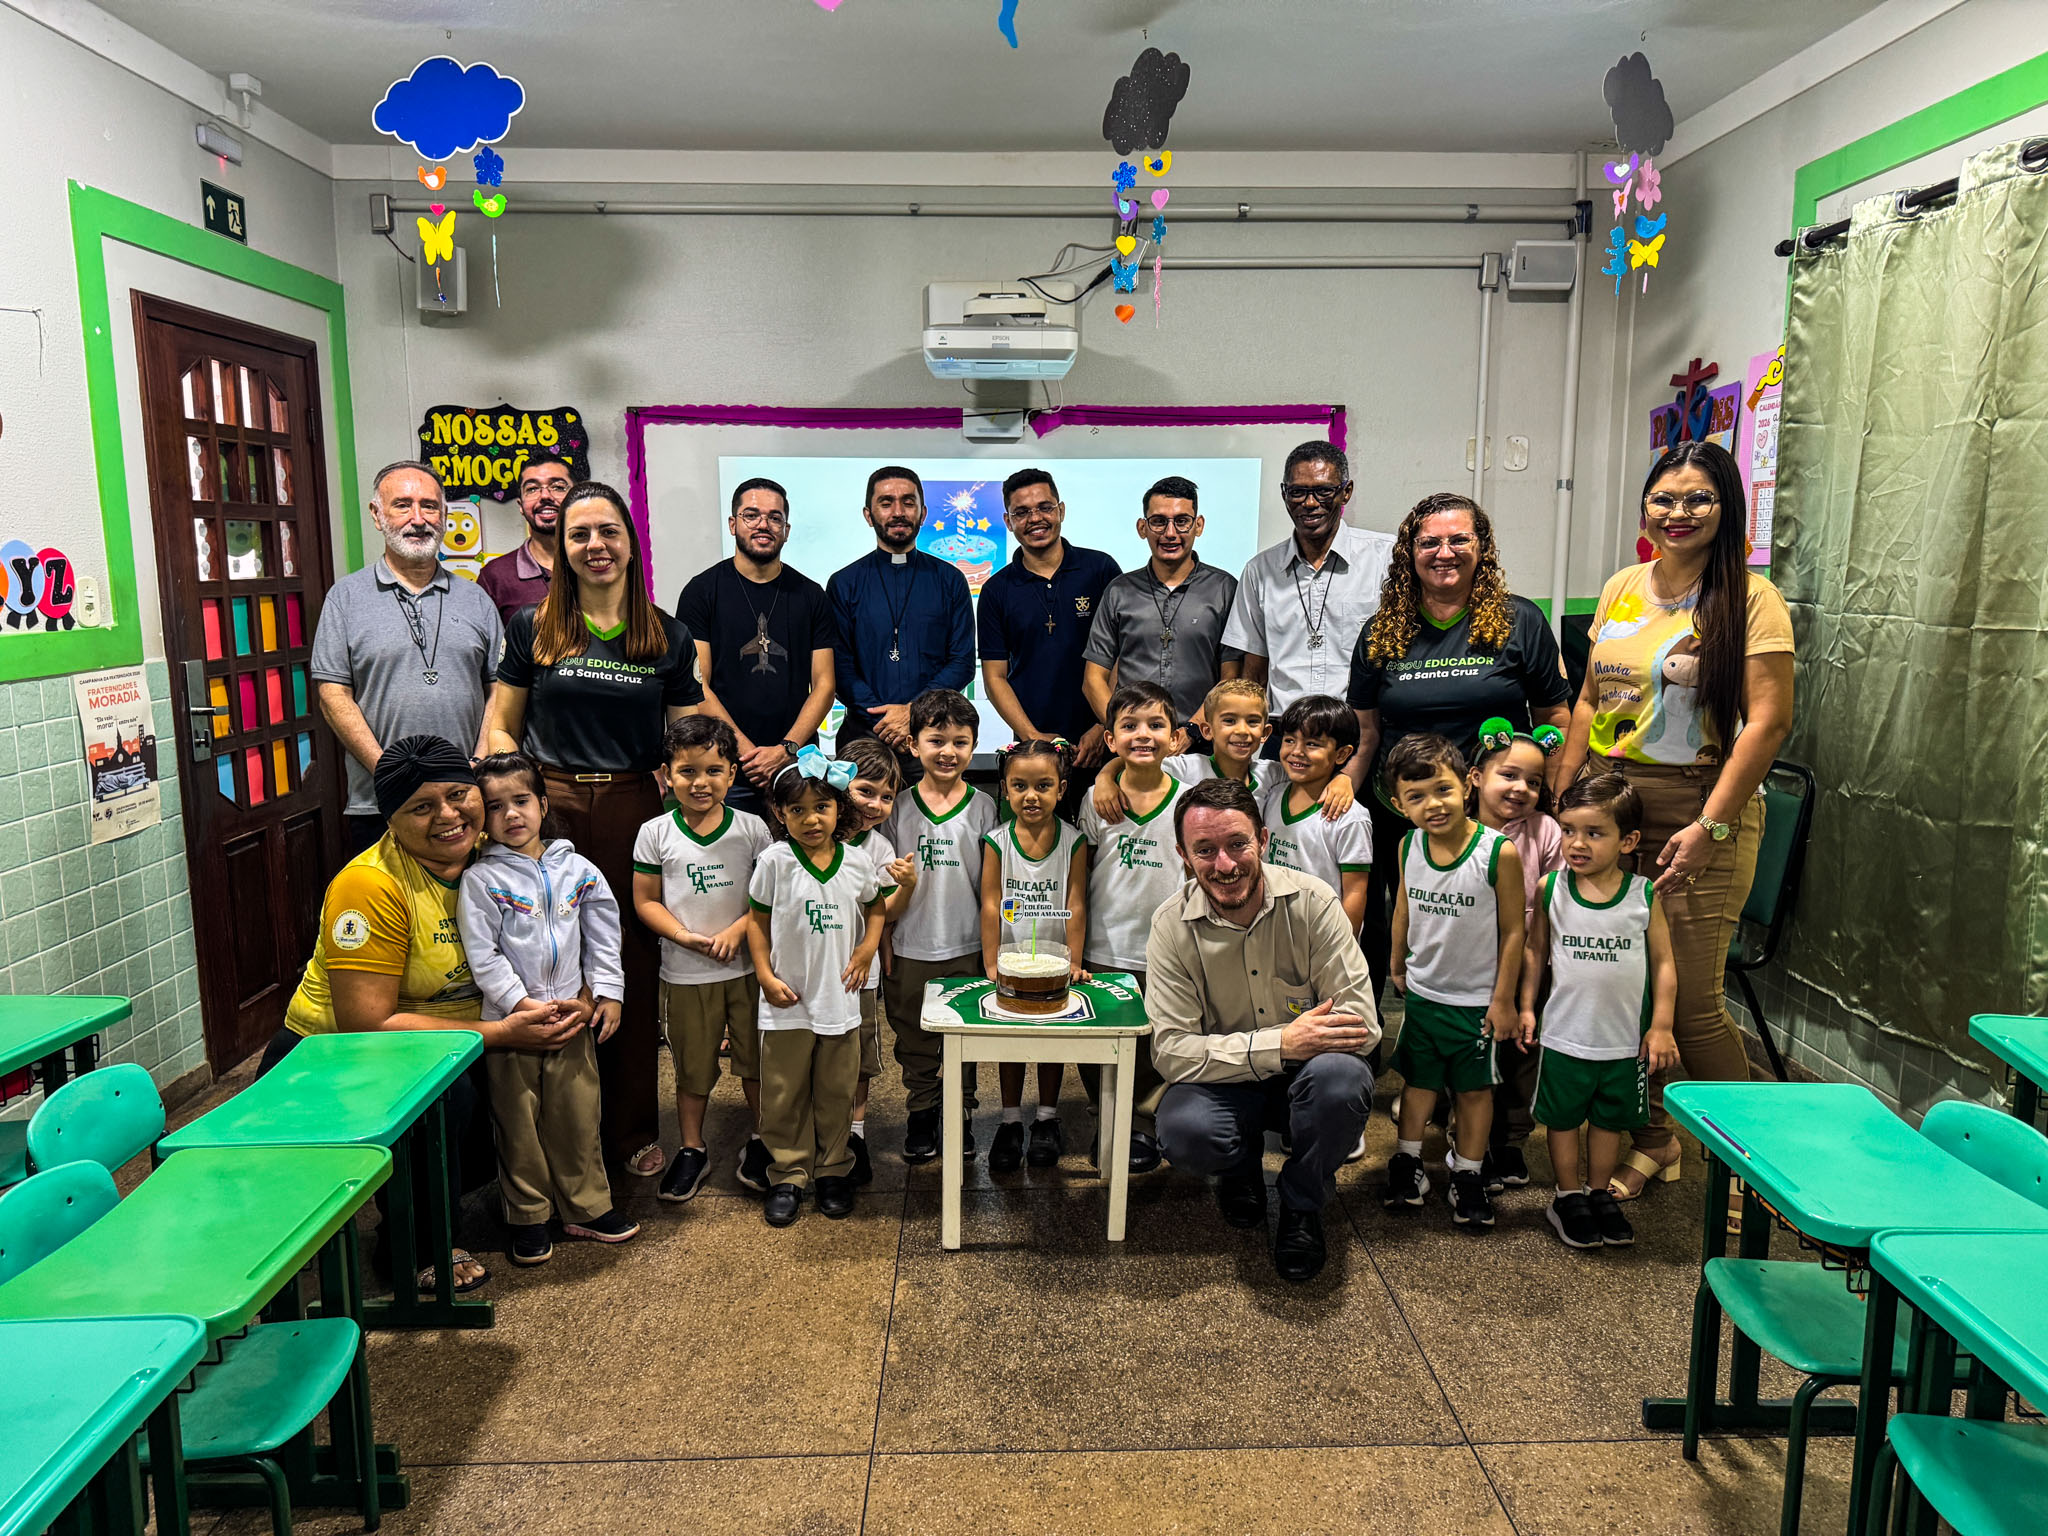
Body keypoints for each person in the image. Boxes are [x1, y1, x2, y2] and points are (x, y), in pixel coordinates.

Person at [1550, 440, 1794, 1201]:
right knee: (1622, 988)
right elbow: (1589, 700)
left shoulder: (1751, 598)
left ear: (1727, 509)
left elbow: (1768, 722)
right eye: (1664, 498)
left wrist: (1712, 826)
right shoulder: (1624, 585)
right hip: (1610, 802)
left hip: (1698, 806)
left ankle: (1762, 1175)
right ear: (1645, 506)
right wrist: (1565, 798)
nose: (1678, 512)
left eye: (1698, 499)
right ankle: (1658, 1142)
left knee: (1690, 1006)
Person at [273, 735, 589, 1294]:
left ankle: (548, 1201)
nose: (447, 815)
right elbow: (367, 1023)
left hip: (464, 1032)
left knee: (552, 1068)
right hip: (334, 1052)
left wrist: (583, 997)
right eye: (421, 807)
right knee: (449, 1096)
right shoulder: (370, 886)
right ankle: (416, 1244)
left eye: (458, 795)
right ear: (390, 820)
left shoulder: (495, 852)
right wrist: (500, 1032)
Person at [484, 482, 704, 1179]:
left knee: (627, 961)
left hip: (633, 808)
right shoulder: (533, 626)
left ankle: (629, 1129)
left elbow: (688, 740)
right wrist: (509, 804)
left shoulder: (667, 635)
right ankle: (549, 1133)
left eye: (608, 531)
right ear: (562, 545)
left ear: (630, 543)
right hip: (549, 808)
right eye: (579, 534)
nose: (595, 546)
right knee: (543, 959)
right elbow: (501, 726)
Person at [1147, 778, 1379, 1283]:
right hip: (1227, 1084)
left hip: (1305, 1077)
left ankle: (1302, 1201)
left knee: (1342, 1080)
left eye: (1238, 844)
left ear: (1264, 841)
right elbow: (1171, 1052)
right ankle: (1240, 1169)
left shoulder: (1315, 903)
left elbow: (1360, 1024)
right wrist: (1283, 1042)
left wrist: (1288, 1050)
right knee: (1186, 1131)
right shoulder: (1170, 925)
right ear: (1184, 857)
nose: (1224, 865)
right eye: (1204, 850)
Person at [1347, 491, 1573, 994]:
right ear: (1409, 552)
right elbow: (1366, 733)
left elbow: (1557, 718)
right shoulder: (1381, 632)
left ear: (1482, 547)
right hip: (1406, 814)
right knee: (1412, 928)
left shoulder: (1521, 620)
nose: (1443, 553)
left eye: (1458, 540)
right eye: (1429, 542)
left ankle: (1505, 1022)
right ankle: (1407, 1020)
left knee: (1500, 930)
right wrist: (1342, 789)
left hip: (1499, 815)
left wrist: (1550, 800)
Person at [457, 752, 640, 1264]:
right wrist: (521, 1007)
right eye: (495, 807)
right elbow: (483, 955)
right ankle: (529, 1216)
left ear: (542, 804)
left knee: (578, 1117)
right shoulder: (481, 880)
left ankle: (586, 1207)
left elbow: (604, 936)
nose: (511, 815)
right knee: (518, 1125)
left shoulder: (579, 870)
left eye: (521, 801)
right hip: (512, 1025)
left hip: (572, 1018)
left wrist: (606, 994)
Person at [312, 460, 502, 856]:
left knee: (471, 896)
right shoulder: (345, 598)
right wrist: (391, 772)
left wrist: (478, 763)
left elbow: (499, 690)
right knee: (388, 897)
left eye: (429, 506)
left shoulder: (477, 599)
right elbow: (333, 696)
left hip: (467, 801)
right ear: (376, 515)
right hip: (381, 802)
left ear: (444, 515)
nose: (418, 519)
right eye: (402, 505)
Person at [1522, 775, 1678, 1250]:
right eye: (1568, 830)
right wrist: (1526, 1006)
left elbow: (1664, 963)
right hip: (1565, 1036)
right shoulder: (1551, 888)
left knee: (1609, 1121)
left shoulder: (1642, 895)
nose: (1577, 843)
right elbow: (1535, 951)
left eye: (1594, 833)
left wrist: (1662, 1025)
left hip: (1623, 1041)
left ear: (1627, 841)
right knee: (1564, 1119)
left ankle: (1597, 1193)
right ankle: (1567, 1195)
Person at [1381, 733, 1525, 1233]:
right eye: (1416, 796)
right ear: (1398, 804)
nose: (1433, 805)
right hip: (1424, 995)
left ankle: (1467, 1172)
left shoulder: (1498, 852)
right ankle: (1407, 1161)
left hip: (1476, 1002)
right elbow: (1403, 907)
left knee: (1474, 1091)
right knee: (1418, 1082)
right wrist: (1397, 963)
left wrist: (1503, 999)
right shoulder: (1408, 845)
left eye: (1442, 789)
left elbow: (1514, 931)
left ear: (1467, 785)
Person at [630, 716, 773, 1202]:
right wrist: (683, 936)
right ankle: (692, 1147)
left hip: (748, 968)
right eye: (687, 771)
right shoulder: (654, 832)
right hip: (685, 972)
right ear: (666, 775)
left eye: (713, 770)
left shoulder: (752, 829)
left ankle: (762, 1138)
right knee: (692, 1067)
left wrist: (737, 930)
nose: (700, 782)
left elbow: (769, 897)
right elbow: (646, 900)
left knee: (755, 1061)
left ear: (732, 773)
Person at [747, 754, 893, 1227]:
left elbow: (876, 908)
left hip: (840, 1000)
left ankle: (833, 1169)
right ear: (780, 813)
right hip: (787, 1002)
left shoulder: (857, 862)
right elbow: (756, 922)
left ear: (839, 809)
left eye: (822, 807)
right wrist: (765, 976)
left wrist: (867, 950)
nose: (811, 819)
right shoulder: (774, 862)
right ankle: (787, 1173)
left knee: (836, 1092)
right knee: (784, 1093)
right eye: (798, 810)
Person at [880, 689, 998, 1164]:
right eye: (936, 740)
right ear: (913, 745)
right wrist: (883, 939)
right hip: (910, 944)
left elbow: (990, 888)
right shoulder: (897, 808)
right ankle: (921, 1111)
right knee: (913, 1037)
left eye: (960, 742)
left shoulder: (984, 807)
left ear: (973, 746)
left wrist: (991, 951)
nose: (948, 751)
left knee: (964, 1035)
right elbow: (882, 885)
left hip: (966, 945)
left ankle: (961, 1112)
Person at [675, 477, 836, 817]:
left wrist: (786, 749)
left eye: (775, 517)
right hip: (725, 765)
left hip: (796, 764)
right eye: (751, 515)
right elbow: (697, 685)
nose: (763, 524)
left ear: (786, 530)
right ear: (733, 524)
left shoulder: (811, 595)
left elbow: (824, 685)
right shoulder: (701, 592)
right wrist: (747, 754)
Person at [1074, 682, 1182, 1173]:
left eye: (1156, 725)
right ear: (1110, 739)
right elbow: (1081, 877)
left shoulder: (1187, 800)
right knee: (1098, 1038)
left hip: (1166, 951)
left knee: (1156, 1043)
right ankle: (1107, 1118)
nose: (1143, 735)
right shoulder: (1097, 802)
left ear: (1175, 738)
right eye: (1130, 726)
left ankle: (1144, 1125)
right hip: (1105, 946)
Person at [1225, 441, 1396, 730]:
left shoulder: (1385, 558)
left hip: (1359, 731)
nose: (1310, 503)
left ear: (1346, 492)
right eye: (1298, 492)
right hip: (1284, 733)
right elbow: (1254, 674)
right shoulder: (1259, 571)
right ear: (1284, 494)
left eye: (1323, 491)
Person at [1464, 717, 1566, 1190]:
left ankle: (1510, 1140)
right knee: (1472, 1046)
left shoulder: (1545, 830)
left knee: (1522, 1049)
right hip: (1469, 960)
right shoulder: (1457, 828)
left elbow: (1556, 896)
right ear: (1476, 776)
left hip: (1528, 958)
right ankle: (1468, 1137)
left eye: (1534, 781)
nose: (1522, 788)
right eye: (1509, 774)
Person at [978, 739, 1090, 1172]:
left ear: (1061, 789)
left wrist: (1073, 960)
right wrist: (992, 961)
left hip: (1054, 968)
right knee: (1010, 1039)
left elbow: (1076, 903)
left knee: (1051, 1039)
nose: (1031, 796)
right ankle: (1009, 1120)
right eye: (1019, 786)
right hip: (1010, 965)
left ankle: (1046, 1117)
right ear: (1005, 789)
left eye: (1043, 785)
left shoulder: (1074, 842)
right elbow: (991, 903)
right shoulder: (996, 842)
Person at [976, 469, 1121, 793]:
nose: (1035, 519)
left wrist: (1104, 726)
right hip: (1032, 754)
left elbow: (1123, 656)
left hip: (1105, 745)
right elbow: (995, 677)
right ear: (1008, 521)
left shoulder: (1100, 570)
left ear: (1061, 510)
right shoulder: (996, 590)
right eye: (1021, 512)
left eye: (1044, 507)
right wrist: (1032, 737)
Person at [1082, 475, 1242, 749]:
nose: (1170, 533)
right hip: (1132, 747)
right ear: (1142, 527)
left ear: (1198, 525)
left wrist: (1192, 730)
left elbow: (1231, 678)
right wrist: (1125, 731)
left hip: (1202, 743)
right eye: (1158, 521)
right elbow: (1093, 679)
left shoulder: (1224, 589)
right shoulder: (1119, 591)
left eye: (1182, 521)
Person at [827, 467, 975, 762]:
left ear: (923, 513)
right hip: (863, 739)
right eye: (886, 503)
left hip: (933, 739)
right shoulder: (844, 583)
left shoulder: (950, 580)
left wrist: (913, 713)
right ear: (868, 515)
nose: (898, 512)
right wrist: (886, 722)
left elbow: (961, 663)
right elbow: (839, 668)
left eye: (908, 502)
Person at [839, 737, 919, 1186]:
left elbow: (886, 912)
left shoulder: (880, 850)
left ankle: (855, 1134)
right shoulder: (808, 835)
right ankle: (815, 1132)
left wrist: (906, 885)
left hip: (860, 977)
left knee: (860, 1056)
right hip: (808, 973)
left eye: (886, 797)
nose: (875, 805)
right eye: (865, 791)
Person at [1256, 694, 1373, 936]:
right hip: (1271, 933)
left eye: (1312, 744)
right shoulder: (1272, 795)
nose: (1297, 751)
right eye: (1289, 740)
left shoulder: (1351, 817)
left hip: (1321, 939)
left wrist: (1343, 947)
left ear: (1342, 754)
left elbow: (1355, 892)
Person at [477, 455, 573, 621]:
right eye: (532, 489)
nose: (545, 496)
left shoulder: (596, 563)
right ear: (521, 506)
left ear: (576, 498)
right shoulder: (495, 576)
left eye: (558, 487)